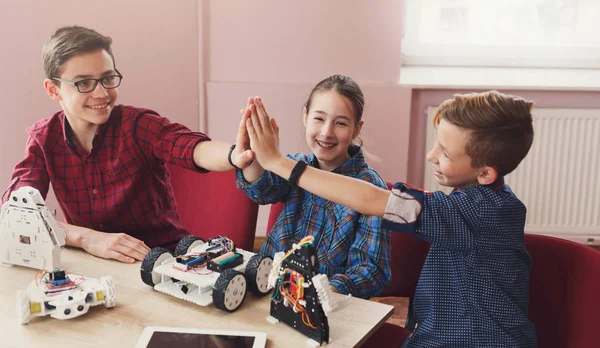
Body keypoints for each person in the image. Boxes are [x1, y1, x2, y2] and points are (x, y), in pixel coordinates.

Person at [243, 91, 537, 347]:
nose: (431, 155)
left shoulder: (483, 213)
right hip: (435, 333)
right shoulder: (475, 202)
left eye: (445, 152)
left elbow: (374, 200)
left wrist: (278, 162)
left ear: (485, 173)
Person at [3, 26, 254, 264]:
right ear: (53, 89)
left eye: (107, 78)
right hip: (95, 263)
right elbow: (15, 214)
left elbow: (191, 147)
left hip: (162, 260)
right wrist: (86, 237)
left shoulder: (138, 125)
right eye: (84, 83)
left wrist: (234, 154)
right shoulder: (43, 139)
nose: (101, 93)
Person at [236, 75, 390, 299]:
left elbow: (372, 271)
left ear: (357, 129)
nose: (327, 132)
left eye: (340, 123)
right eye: (319, 118)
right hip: (269, 291)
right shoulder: (294, 165)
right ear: (305, 116)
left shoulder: (370, 188)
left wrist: (323, 292)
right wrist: (252, 155)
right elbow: (261, 189)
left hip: (324, 306)